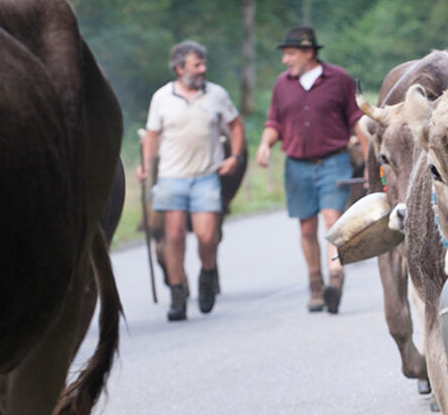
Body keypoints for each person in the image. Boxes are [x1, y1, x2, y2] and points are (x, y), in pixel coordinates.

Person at [255, 26, 367, 314]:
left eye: (290, 54)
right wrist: (265, 145)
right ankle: (315, 284)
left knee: (333, 220)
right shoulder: (282, 85)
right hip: (297, 165)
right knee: (306, 227)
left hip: (333, 161)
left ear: (308, 52)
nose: (285, 60)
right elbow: (274, 123)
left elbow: (357, 121)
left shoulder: (338, 79)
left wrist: (370, 161)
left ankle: (336, 277)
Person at [138, 40, 245, 321]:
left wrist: (234, 156)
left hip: (206, 177)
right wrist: (145, 166)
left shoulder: (216, 94)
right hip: (172, 177)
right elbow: (152, 135)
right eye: (197, 65)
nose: (203, 70)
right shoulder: (162, 97)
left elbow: (235, 124)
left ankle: (207, 274)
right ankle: (177, 294)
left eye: (203, 64)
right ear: (179, 68)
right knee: (173, 237)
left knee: (207, 236)